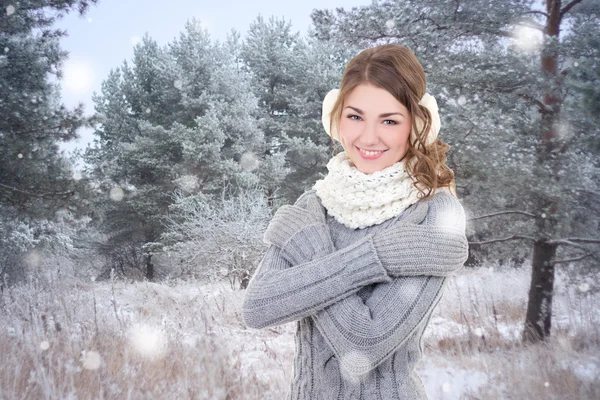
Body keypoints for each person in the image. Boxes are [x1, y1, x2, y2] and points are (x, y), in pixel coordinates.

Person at [241, 44, 469, 400]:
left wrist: (309, 249)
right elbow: (257, 307)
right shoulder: (314, 205)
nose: (368, 137)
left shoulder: (434, 214)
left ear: (417, 124)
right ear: (337, 118)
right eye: (355, 116)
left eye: (390, 120)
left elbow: (363, 343)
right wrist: (378, 256)